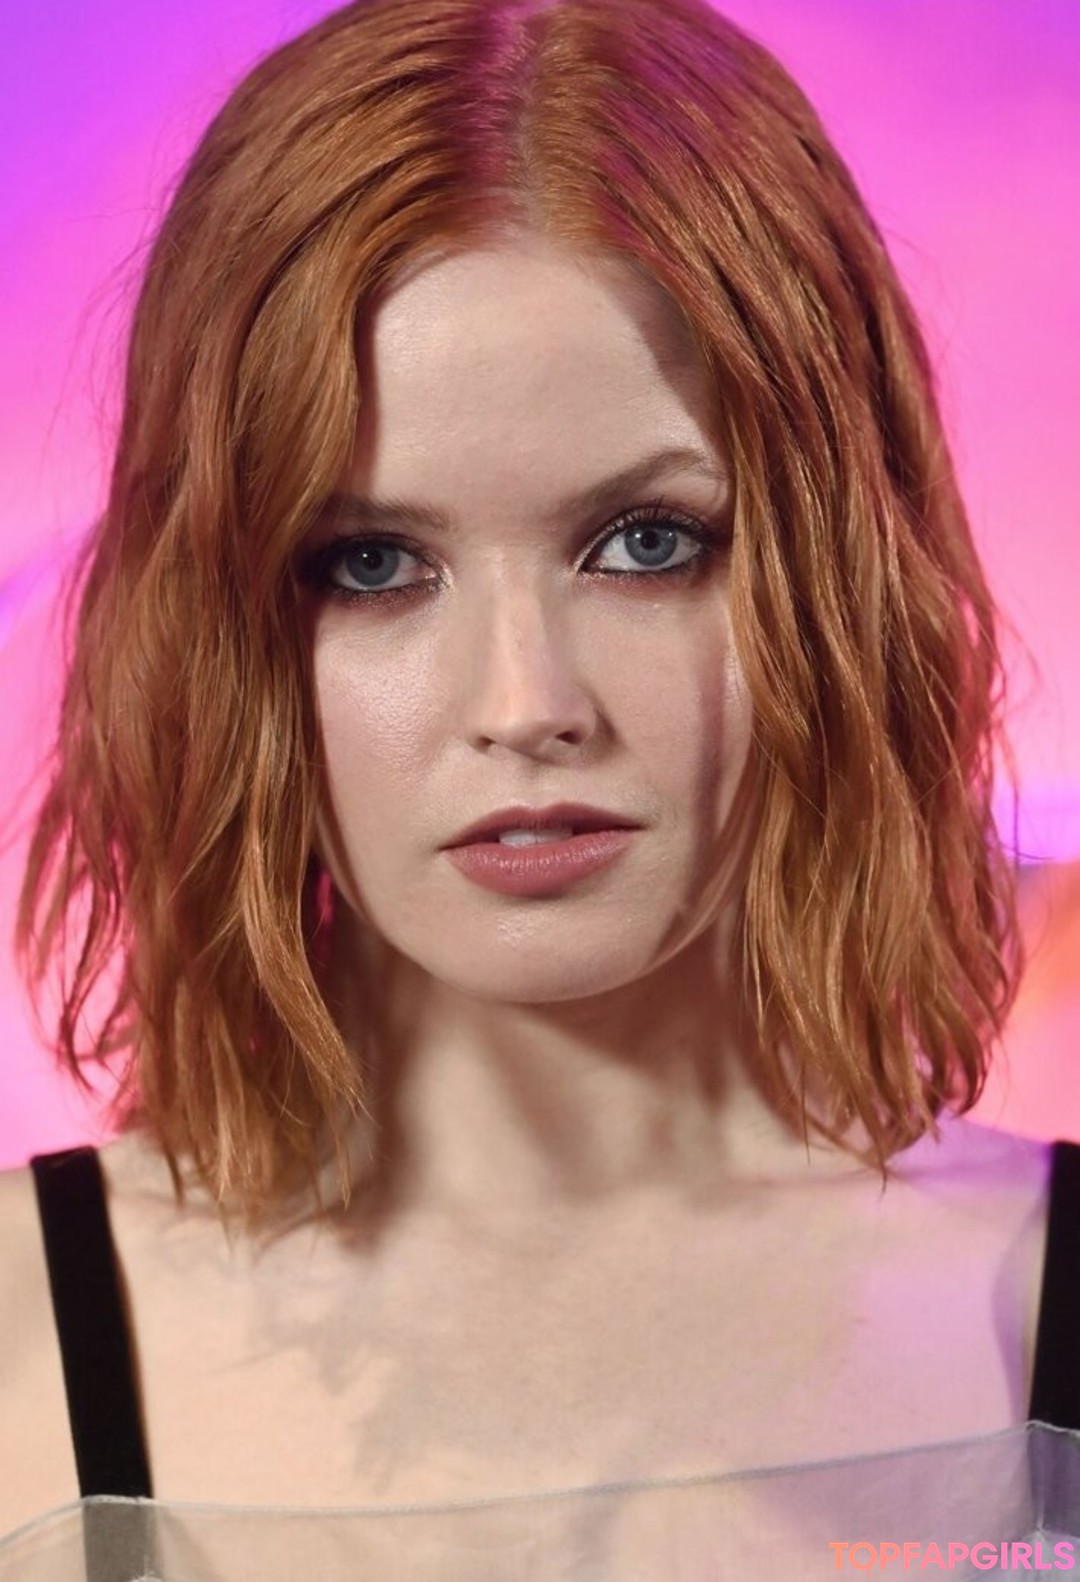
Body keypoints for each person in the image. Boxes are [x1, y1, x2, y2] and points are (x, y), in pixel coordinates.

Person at [1, 0, 1078, 1575]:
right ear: (227, 627)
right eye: (374, 564)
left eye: (647, 542)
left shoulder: (1039, 1300)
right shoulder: (23, 1346)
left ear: (838, 573)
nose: (527, 706)